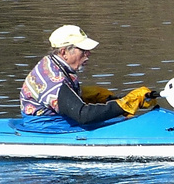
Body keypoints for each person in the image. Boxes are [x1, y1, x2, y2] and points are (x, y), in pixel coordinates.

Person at [19, 25, 157, 128]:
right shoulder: (54, 81)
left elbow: (64, 96)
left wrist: (99, 97)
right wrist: (124, 105)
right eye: (83, 50)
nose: (89, 53)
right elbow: (83, 115)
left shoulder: (51, 62)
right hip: (48, 129)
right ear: (64, 52)